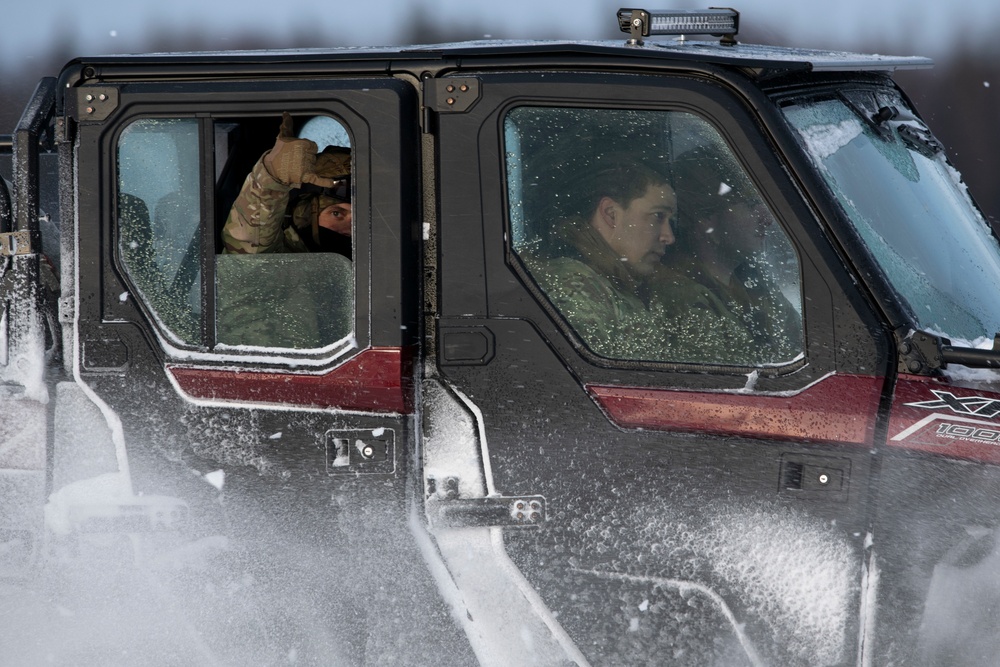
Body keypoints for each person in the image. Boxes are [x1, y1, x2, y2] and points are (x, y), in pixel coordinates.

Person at [524, 156, 757, 363]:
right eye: (658, 216)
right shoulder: (572, 288)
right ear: (611, 214)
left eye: (670, 221)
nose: (669, 237)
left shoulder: (626, 285)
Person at [669, 147, 803, 360]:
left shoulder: (752, 280)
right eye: (750, 205)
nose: (767, 219)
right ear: (706, 219)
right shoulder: (687, 302)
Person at [222, 112, 352, 256]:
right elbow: (246, 257)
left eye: (363, 218)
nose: (350, 228)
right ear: (306, 212)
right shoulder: (285, 259)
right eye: (337, 213)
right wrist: (270, 182)